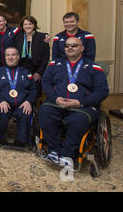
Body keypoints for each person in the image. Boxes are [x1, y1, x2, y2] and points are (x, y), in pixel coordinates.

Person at [39, 37, 109, 168]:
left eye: (74, 45)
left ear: (82, 48)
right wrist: (55, 98)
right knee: (44, 112)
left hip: (82, 107)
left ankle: (68, 154)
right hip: (57, 103)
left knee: (77, 120)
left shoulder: (94, 67)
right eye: (67, 46)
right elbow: (46, 83)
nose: (70, 48)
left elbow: (102, 91)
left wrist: (80, 102)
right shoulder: (54, 64)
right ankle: (54, 150)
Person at [0, 46, 38, 147]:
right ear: (5, 57)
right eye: (8, 55)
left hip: (22, 104)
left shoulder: (26, 73)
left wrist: (28, 101)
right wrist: (0, 100)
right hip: (4, 103)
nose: (10, 57)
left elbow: (34, 90)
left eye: (13, 55)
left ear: (18, 57)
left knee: (26, 112)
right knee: (2, 111)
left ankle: (22, 140)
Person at [13, 16, 50, 96]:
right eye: (25, 24)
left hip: (35, 70)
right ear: (22, 26)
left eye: (30, 24)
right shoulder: (17, 37)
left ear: (34, 25)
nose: (27, 26)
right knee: (20, 93)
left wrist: (39, 72)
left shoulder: (42, 37)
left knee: (34, 93)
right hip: (20, 70)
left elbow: (45, 58)